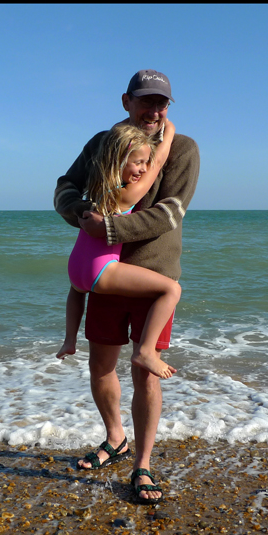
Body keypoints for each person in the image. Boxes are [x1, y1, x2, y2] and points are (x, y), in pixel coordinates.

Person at [53, 69, 200, 503]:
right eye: (146, 101)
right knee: (100, 366)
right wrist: (84, 216)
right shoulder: (102, 143)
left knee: (145, 374)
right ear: (126, 102)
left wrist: (110, 229)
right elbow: (65, 187)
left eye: (163, 104)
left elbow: (172, 211)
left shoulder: (184, 149)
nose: (154, 111)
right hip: (104, 276)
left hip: (153, 275)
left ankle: (143, 465)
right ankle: (115, 439)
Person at [56, 122, 180, 380]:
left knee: (77, 292)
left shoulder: (96, 192)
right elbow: (158, 165)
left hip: (77, 267)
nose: (143, 168)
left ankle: (69, 339)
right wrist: (167, 136)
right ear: (118, 162)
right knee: (171, 289)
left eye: (145, 162)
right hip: (99, 269)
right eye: (138, 163)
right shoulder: (124, 196)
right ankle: (146, 351)